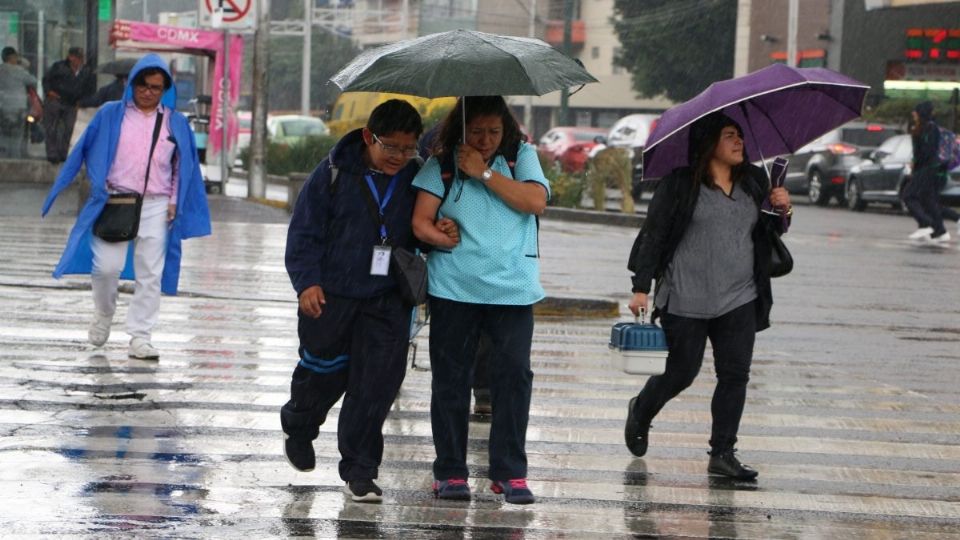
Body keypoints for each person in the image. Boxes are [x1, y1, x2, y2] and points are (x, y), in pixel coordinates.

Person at [281, 99, 458, 504]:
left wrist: (440, 228)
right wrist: (307, 283)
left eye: (407, 148)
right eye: (390, 147)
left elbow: (420, 230)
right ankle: (299, 423)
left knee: (374, 387)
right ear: (368, 137)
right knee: (322, 375)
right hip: (331, 296)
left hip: (387, 300)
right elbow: (304, 233)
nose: (398, 156)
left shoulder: (416, 176)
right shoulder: (333, 173)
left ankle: (360, 471)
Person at [624, 111, 791, 481]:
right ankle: (642, 409)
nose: (738, 142)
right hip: (686, 295)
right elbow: (653, 235)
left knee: (735, 374)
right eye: (729, 135)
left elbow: (771, 229)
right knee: (682, 371)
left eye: (740, 136)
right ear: (708, 142)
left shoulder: (753, 180)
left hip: (740, 295)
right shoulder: (680, 184)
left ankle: (722, 452)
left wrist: (782, 207)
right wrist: (641, 287)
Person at [411, 96, 549, 505]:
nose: (486, 139)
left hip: (513, 290)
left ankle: (510, 472)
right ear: (462, 127)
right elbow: (420, 221)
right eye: (477, 131)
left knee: (514, 378)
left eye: (494, 132)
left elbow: (535, 201)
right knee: (451, 380)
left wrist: (485, 172)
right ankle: (450, 472)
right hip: (454, 288)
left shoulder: (521, 156)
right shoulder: (442, 164)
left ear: (505, 128)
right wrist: (441, 236)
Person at [40, 54, 211, 360]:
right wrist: (78, 184)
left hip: (157, 206)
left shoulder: (175, 122)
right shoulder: (110, 114)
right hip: (115, 201)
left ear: (165, 89)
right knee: (106, 267)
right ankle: (104, 312)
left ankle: (141, 336)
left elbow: (182, 166)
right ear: (132, 84)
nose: (149, 92)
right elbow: (83, 149)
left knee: (150, 274)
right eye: (143, 85)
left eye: (156, 87)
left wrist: (174, 201)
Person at [903, 101, 950, 244]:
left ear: (921, 112)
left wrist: (916, 163)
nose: (913, 113)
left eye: (915, 111)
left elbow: (926, 151)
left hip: (926, 168)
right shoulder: (922, 128)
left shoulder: (929, 128)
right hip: (926, 168)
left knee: (908, 195)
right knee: (927, 199)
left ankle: (925, 224)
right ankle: (939, 230)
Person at [42, 46, 95, 163]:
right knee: (52, 128)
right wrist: (49, 92)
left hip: (72, 103)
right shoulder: (58, 67)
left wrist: (82, 102)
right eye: (76, 57)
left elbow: (90, 89)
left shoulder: (86, 71)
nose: (79, 60)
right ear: (70, 57)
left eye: (81, 58)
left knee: (69, 128)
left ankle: (63, 153)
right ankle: (52, 154)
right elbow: (46, 80)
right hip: (56, 99)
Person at [0, 47, 38, 158]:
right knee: (17, 136)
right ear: (11, 57)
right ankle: (15, 158)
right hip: (18, 107)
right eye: (16, 57)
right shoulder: (19, 71)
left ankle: (4, 158)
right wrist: (22, 63)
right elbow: (33, 80)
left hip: (2, 107)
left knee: (3, 135)